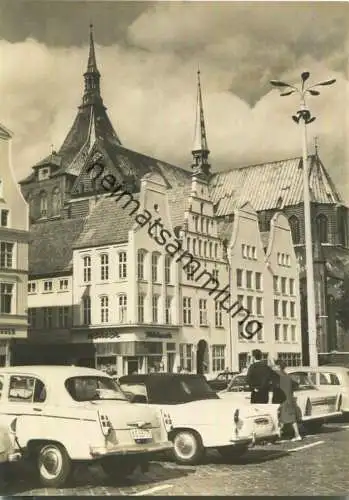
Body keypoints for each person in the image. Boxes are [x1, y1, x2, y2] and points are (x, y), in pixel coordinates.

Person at [274, 360, 302, 442]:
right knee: (291, 418)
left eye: (276, 365)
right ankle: (297, 435)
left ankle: (277, 436)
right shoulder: (287, 376)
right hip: (289, 399)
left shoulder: (278, 375)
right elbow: (295, 385)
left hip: (282, 400)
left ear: (278, 366)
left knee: (279, 418)